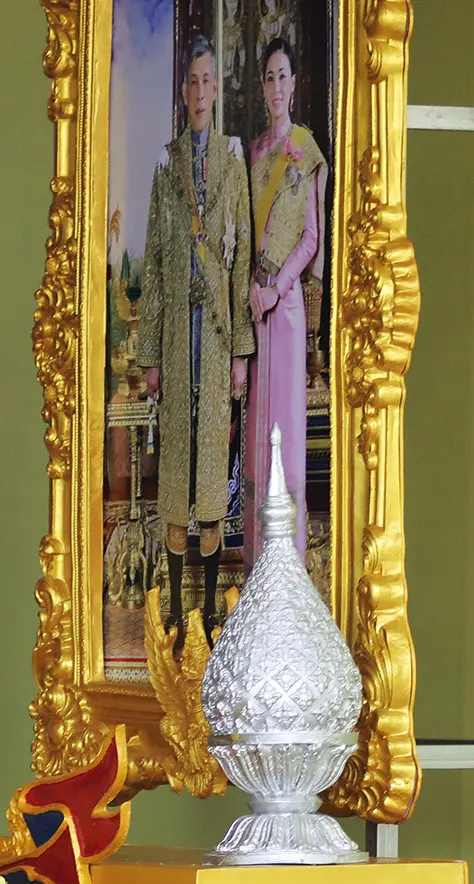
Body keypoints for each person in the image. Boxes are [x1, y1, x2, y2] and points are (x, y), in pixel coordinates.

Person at [140, 34, 256, 642]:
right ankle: (175, 608)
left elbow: (240, 262)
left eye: (209, 80)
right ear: (183, 91)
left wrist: (239, 351)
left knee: (210, 471)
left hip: (214, 338)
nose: (201, 91)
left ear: (218, 88)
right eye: (193, 81)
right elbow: (156, 260)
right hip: (176, 339)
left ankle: (209, 609)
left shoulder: (234, 163)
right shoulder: (167, 166)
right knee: (176, 475)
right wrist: (151, 355)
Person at [244, 36, 327, 566]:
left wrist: (279, 286)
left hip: (288, 307)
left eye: (283, 76)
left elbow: (312, 237)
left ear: (295, 84)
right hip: (256, 308)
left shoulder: (307, 150)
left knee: (286, 433)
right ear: (263, 87)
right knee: (257, 433)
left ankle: (289, 565)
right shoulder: (254, 154)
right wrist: (254, 289)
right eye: (269, 77)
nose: (276, 86)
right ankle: (259, 560)